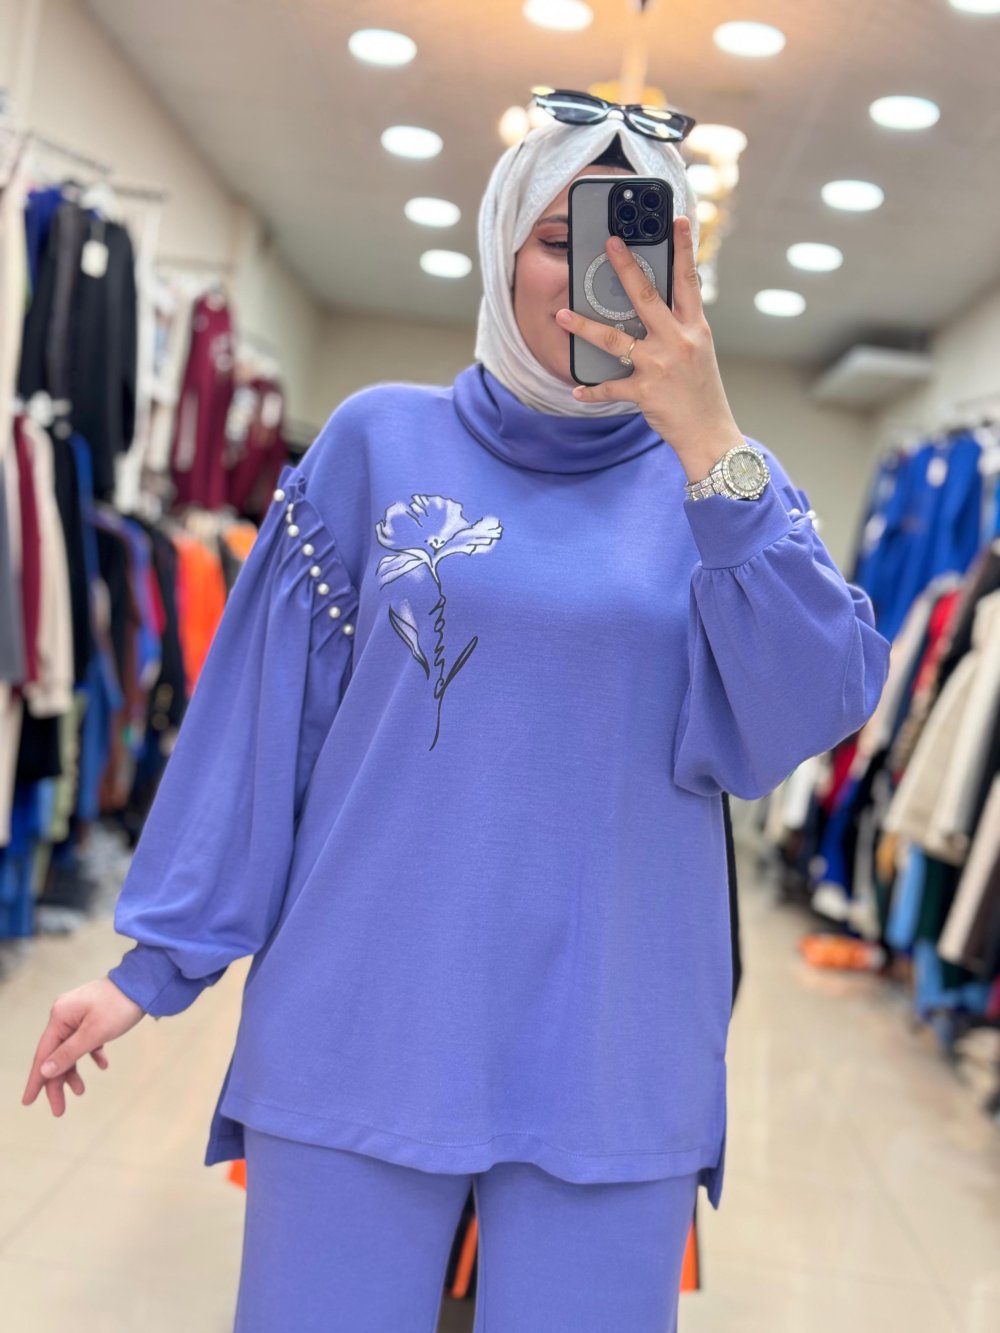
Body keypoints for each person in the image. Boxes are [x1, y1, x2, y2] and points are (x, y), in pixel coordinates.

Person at [22, 106, 892, 1332]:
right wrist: (155, 964)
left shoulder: (728, 488)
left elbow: (810, 707)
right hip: (362, 1018)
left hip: (612, 1050)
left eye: (646, 248)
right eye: (560, 240)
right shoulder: (377, 443)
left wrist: (707, 439)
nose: (602, 278)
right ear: (499, 249)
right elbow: (263, 730)